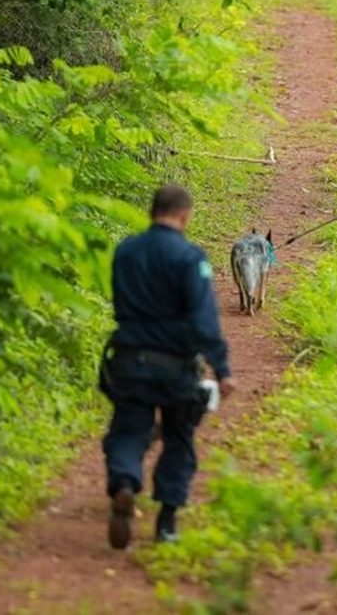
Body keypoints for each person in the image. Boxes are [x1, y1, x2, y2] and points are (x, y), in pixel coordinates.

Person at [99, 184, 234, 549]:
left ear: (151, 211)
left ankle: (125, 484)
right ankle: (166, 522)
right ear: (184, 216)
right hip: (176, 366)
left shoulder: (126, 251)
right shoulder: (190, 258)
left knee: (128, 431)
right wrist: (222, 368)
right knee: (178, 437)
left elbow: (119, 302)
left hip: (129, 360)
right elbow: (204, 320)